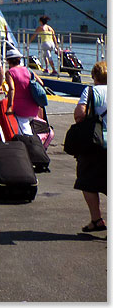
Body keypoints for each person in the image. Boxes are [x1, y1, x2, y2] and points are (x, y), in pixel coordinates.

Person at [74, 61, 107, 233]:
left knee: (86, 180)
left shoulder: (91, 91)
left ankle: (96, 219)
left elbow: (79, 114)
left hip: (96, 143)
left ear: (94, 76)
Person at [4, 47, 45, 136]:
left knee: (25, 133)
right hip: (33, 105)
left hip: (20, 107)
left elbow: (11, 89)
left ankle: (30, 148)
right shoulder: (28, 70)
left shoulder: (9, 73)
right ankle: (35, 146)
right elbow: (41, 83)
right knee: (31, 129)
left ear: (8, 61)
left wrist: (10, 106)